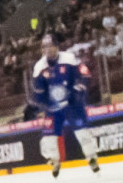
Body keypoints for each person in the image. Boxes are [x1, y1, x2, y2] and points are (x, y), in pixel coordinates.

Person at [31, 34, 101, 177]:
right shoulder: (39, 67)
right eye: (44, 47)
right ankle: (54, 161)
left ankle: (92, 157)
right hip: (52, 108)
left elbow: (84, 75)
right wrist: (41, 103)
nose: (47, 50)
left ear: (56, 46)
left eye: (50, 46)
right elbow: (38, 91)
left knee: (82, 132)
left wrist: (79, 90)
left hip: (72, 103)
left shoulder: (69, 59)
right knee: (49, 137)